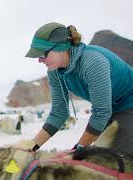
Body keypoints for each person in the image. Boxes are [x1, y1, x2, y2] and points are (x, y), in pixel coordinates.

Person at [19, 22, 133, 155]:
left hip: (129, 103)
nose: (40, 60)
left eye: (42, 54)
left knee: (116, 158)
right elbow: (59, 113)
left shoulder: (92, 61)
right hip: (110, 109)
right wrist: (31, 146)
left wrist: (77, 150)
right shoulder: (55, 72)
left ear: (60, 47)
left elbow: (101, 112)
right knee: (98, 156)